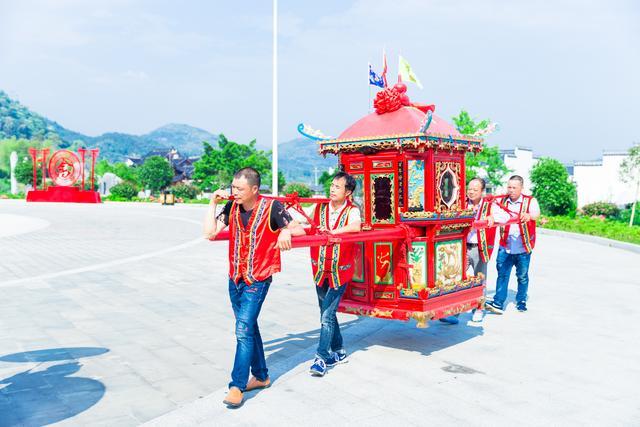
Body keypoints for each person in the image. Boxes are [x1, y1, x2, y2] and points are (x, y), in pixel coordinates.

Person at [204, 167, 305, 408]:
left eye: (239, 189)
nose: (234, 192)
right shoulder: (231, 207)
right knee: (249, 328)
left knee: (242, 331)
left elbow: (298, 229)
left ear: (254, 189)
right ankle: (261, 376)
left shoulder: (273, 207)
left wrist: (283, 231)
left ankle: (237, 386)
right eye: (233, 187)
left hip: (258, 278)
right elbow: (209, 233)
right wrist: (211, 204)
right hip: (235, 278)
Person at [308, 172, 361, 377]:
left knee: (327, 315)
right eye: (331, 185)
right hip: (320, 267)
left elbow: (355, 227)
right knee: (325, 312)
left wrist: (332, 232)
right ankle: (338, 350)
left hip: (341, 270)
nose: (332, 189)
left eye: (337, 187)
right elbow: (302, 221)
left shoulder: (352, 210)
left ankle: (322, 357)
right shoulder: (320, 207)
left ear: (348, 192)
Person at [439, 177, 510, 324]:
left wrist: (492, 217)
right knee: (455, 279)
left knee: (480, 280)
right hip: (462, 247)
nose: (471, 192)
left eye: (475, 190)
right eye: (469, 189)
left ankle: (478, 308)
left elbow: (505, 216)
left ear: (482, 191)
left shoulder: (489, 205)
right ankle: (453, 312)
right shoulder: (461, 203)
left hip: (480, 248)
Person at [486, 175, 540, 314]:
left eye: (514, 187)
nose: (511, 190)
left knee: (522, 276)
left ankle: (521, 300)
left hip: (523, 247)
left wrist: (529, 216)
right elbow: (492, 210)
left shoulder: (530, 201)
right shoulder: (501, 201)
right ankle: (498, 302)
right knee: (502, 274)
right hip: (505, 246)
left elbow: (536, 214)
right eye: (509, 187)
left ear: (521, 188)